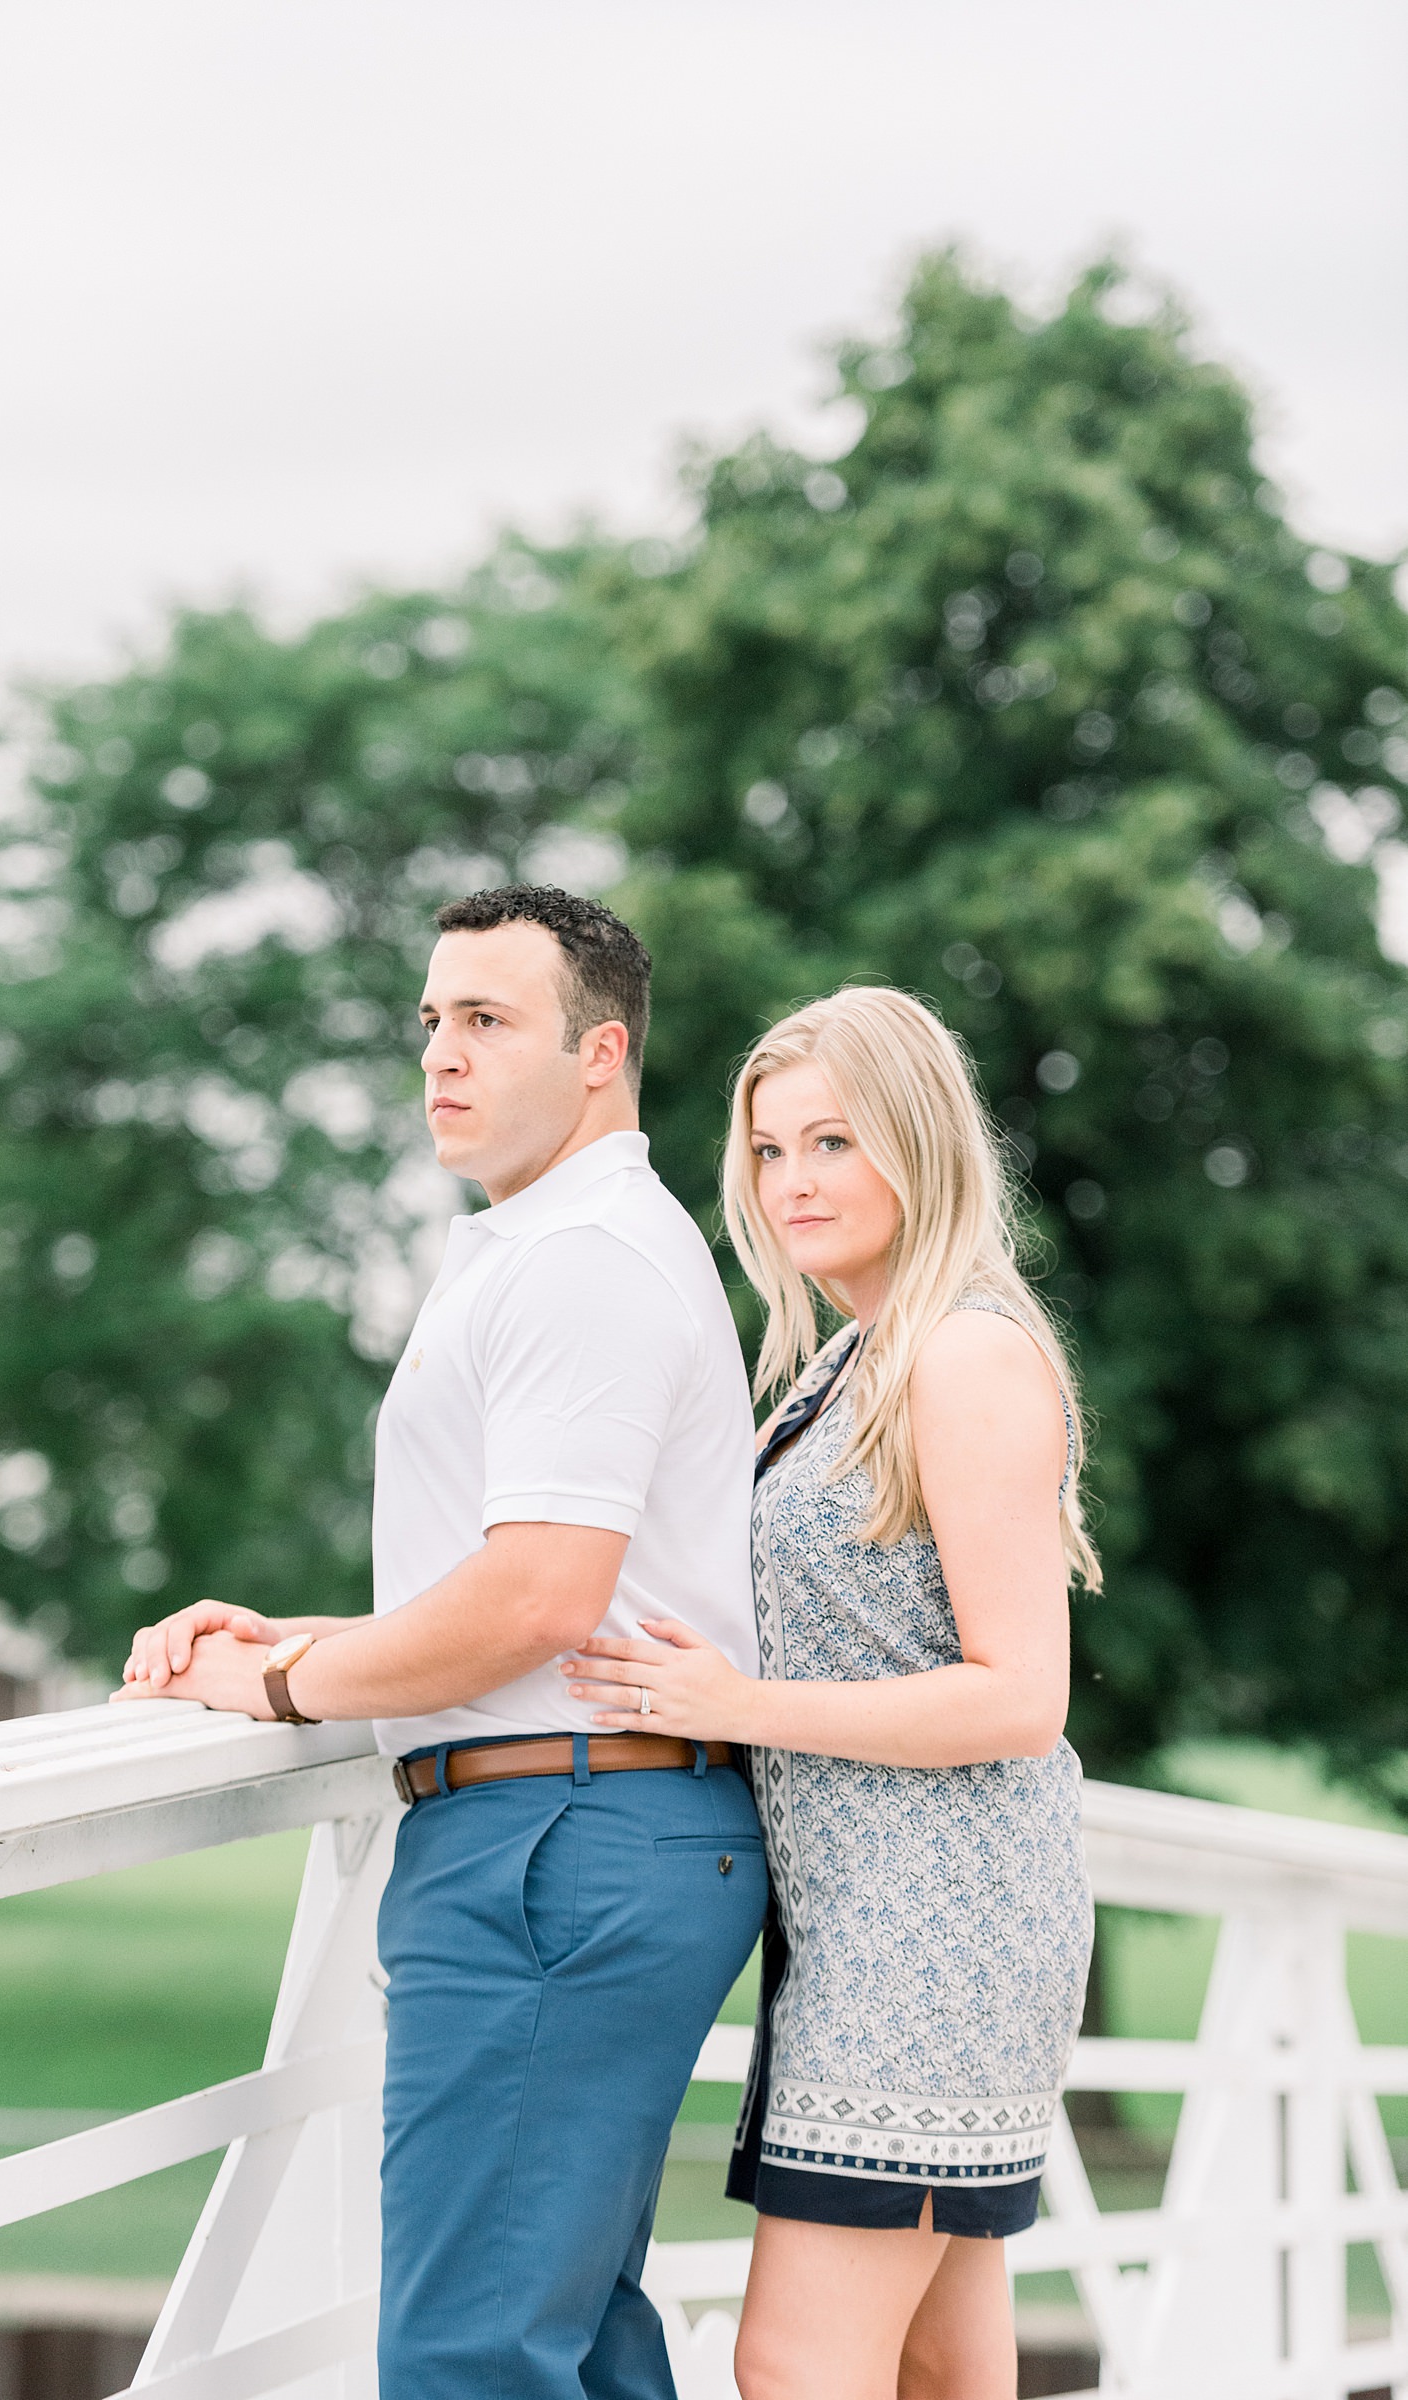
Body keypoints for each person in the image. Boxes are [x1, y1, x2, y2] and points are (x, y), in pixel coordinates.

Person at [117, 884, 767, 2400]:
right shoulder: (539, 1247)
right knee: (572, 2349)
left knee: (473, 2361)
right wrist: (310, 1634)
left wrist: (278, 1685)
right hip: (573, 1821)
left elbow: (535, 1600)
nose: (440, 1056)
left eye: (486, 1020)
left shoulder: (583, 1258)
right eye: (430, 1020)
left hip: (560, 1839)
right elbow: (545, 1590)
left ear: (599, 1052)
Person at [563, 984, 1098, 2400]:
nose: (791, 1181)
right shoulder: (843, 1364)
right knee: (938, 2367)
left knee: (797, 2366)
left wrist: (732, 1707)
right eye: (767, 1149)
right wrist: (311, 1642)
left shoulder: (964, 1354)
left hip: (941, 1934)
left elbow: (1016, 1698)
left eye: (833, 1143)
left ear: (917, 1148)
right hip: (871, 1919)